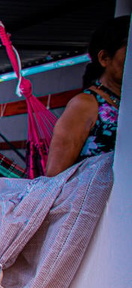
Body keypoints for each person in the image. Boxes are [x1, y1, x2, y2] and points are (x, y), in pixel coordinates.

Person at [46, 15, 128, 176]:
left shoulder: (124, 103)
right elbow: (55, 176)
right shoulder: (85, 104)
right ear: (104, 58)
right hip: (94, 200)